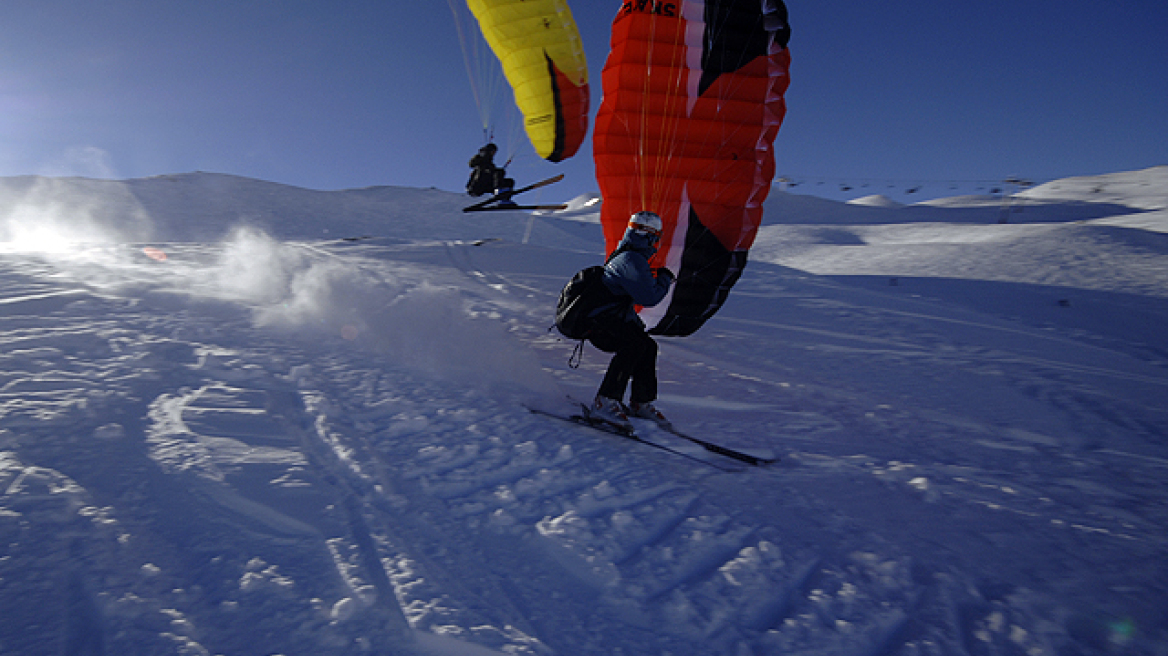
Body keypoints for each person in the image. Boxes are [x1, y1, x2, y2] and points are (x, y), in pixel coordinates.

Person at [588, 211, 675, 428]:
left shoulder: (629, 255)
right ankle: (605, 401)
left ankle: (640, 403)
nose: (656, 242)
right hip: (598, 324)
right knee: (634, 345)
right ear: (647, 235)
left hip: (608, 320)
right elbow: (649, 297)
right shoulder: (631, 259)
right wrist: (664, 278)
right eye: (656, 237)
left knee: (647, 345)